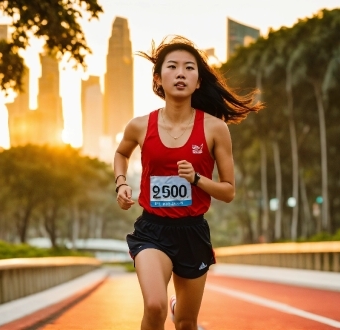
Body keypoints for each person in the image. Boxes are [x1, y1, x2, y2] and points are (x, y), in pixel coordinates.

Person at [114, 35, 262, 330]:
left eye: (189, 68)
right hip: (152, 230)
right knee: (154, 306)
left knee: (185, 322)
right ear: (158, 78)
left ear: (198, 82)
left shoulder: (215, 129)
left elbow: (229, 191)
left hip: (192, 232)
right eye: (172, 66)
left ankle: (177, 309)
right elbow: (121, 153)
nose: (181, 73)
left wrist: (196, 179)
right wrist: (120, 183)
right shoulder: (140, 125)